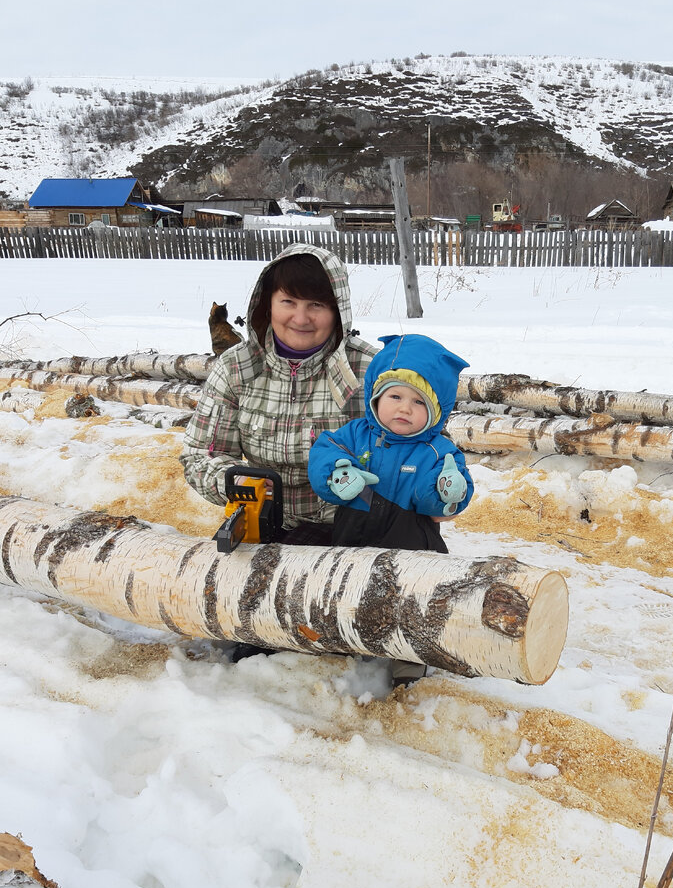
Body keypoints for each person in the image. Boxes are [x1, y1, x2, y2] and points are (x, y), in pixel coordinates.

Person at [181, 243, 377, 659]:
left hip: (350, 526)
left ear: (338, 310)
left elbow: (413, 442)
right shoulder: (237, 367)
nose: (300, 318)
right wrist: (234, 483)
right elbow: (200, 453)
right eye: (288, 302)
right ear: (267, 303)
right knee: (250, 627)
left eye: (316, 305)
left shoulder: (367, 370)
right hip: (263, 524)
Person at [308, 333, 474, 684]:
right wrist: (337, 471)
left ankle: (408, 657)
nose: (404, 408)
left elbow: (441, 503)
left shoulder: (437, 451)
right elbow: (324, 451)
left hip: (409, 541)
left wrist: (448, 489)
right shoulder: (355, 434)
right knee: (349, 587)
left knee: (410, 598)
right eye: (395, 396)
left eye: (418, 402)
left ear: (436, 411)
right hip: (354, 532)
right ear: (376, 396)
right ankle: (349, 638)